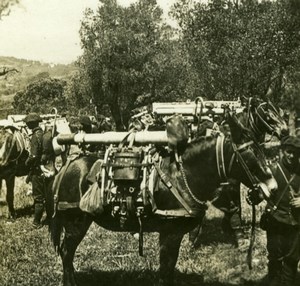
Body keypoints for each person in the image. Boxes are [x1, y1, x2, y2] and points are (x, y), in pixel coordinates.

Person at [261, 135, 300, 286]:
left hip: (296, 223)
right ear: (282, 151)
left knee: (291, 260)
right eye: (289, 151)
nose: (291, 155)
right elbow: (259, 193)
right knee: (275, 259)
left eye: (295, 153)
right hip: (276, 221)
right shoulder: (271, 170)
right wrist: (257, 193)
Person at [24, 113, 46, 228]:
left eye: (28, 123)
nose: (26, 124)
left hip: (37, 170)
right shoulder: (42, 133)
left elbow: (33, 155)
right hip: (45, 168)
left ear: (31, 124)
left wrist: (26, 163)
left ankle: (37, 222)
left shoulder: (34, 136)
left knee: (38, 197)